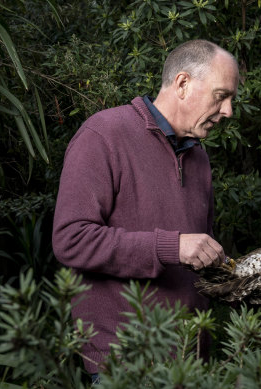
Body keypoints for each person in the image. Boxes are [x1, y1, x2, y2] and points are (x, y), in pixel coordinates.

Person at [52, 39, 239, 377]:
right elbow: (71, 239)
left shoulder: (198, 156)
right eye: (221, 96)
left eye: (231, 99)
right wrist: (172, 246)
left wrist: (245, 279)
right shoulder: (103, 135)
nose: (228, 111)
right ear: (182, 84)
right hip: (126, 361)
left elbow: (198, 253)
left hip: (189, 357)